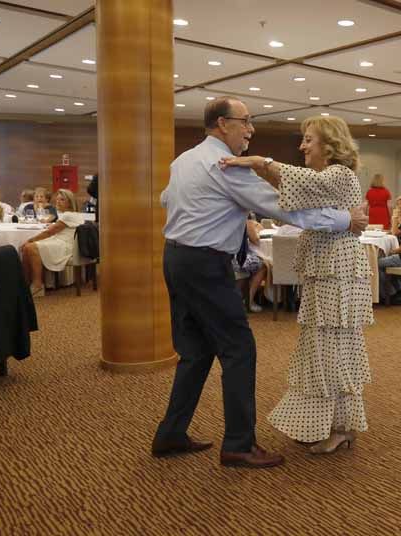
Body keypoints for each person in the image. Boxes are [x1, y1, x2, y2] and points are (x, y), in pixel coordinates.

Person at [153, 97, 367, 469]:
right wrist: (344, 221)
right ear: (223, 124)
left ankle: (171, 433)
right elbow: (280, 207)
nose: (251, 129)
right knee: (239, 349)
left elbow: (165, 199)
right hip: (205, 264)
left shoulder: (183, 160)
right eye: (246, 122)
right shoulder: (225, 165)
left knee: (195, 352)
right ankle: (238, 444)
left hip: (175, 258)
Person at [219, 115, 372, 455]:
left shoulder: (337, 174)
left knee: (329, 348)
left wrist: (257, 161)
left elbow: (290, 179)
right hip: (329, 269)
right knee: (325, 347)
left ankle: (339, 427)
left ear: (329, 145)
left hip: (338, 271)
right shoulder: (326, 178)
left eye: (309, 140)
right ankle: (335, 424)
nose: (302, 146)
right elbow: (289, 200)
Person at [19, 189, 85, 297]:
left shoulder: (68, 215)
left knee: (30, 247)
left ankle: (37, 285)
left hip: (65, 246)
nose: (58, 202)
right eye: (57, 199)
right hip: (61, 241)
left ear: (69, 202)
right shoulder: (70, 214)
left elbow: (50, 232)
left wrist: (30, 240)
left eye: (62, 200)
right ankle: (26, 283)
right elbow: (56, 229)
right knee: (27, 248)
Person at [235, 218, 268, 313]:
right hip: (238, 258)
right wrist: (256, 227)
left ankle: (246, 299)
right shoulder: (248, 222)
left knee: (259, 262)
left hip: (230, 256)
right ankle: (249, 300)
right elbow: (256, 240)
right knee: (263, 265)